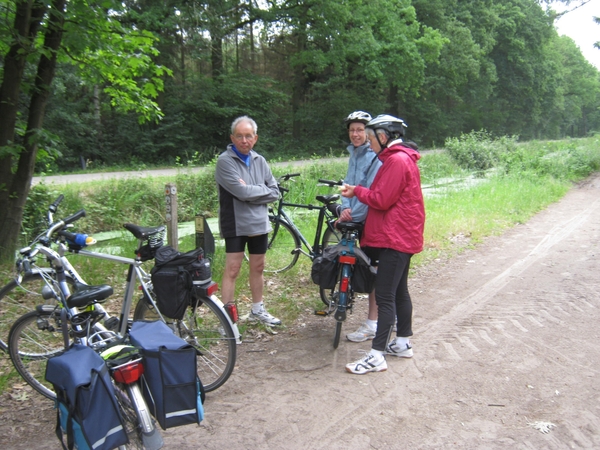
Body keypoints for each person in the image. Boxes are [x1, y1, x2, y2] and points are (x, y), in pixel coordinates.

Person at [340, 114, 425, 374]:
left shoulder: (397, 161)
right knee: (399, 291)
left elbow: (382, 199)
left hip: (395, 238)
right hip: (400, 236)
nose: (367, 139)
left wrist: (357, 191)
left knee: (386, 295)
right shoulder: (395, 159)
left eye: (371, 134)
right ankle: (402, 343)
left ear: (383, 136)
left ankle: (376, 356)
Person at [215, 116, 282, 326]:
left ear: (255, 138)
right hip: (235, 222)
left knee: (258, 267)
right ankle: (227, 319)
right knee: (233, 269)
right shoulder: (225, 161)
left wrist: (251, 191)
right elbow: (240, 192)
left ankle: (257, 309)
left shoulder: (259, 160)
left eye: (248, 136)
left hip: (259, 223)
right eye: (240, 136)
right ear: (232, 138)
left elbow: (275, 192)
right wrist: (259, 190)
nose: (244, 140)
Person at [335, 111, 383, 343]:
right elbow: (348, 186)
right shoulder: (353, 153)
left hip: (369, 220)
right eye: (352, 130)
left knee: (374, 269)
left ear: (368, 133)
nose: (355, 134)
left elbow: (370, 193)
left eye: (360, 130)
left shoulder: (374, 155)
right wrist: (344, 207)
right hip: (353, 215)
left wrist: (352, 214)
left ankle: (373, 323)